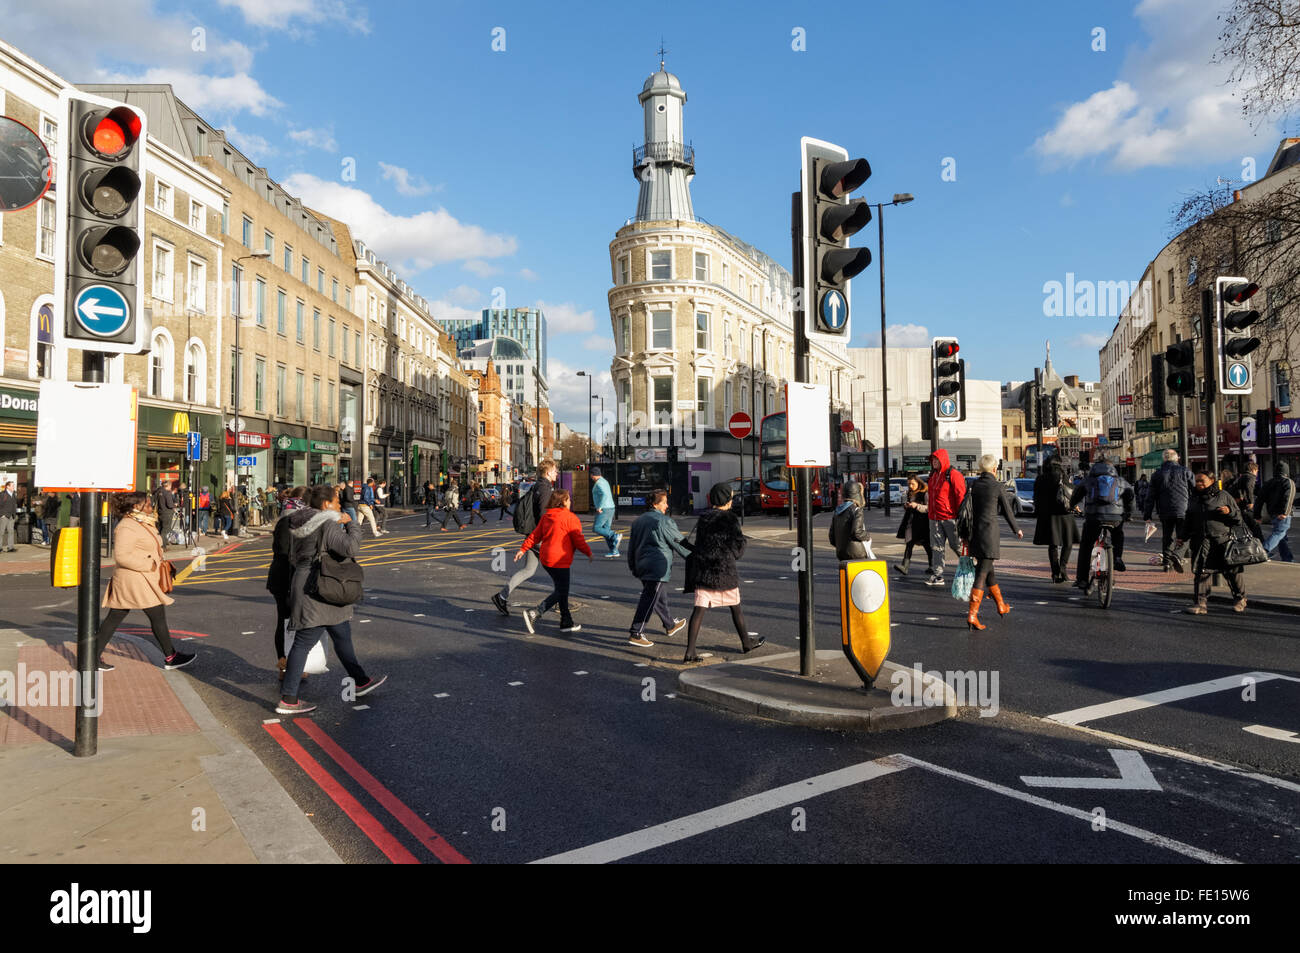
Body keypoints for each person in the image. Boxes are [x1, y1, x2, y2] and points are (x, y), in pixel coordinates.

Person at [277, 483, 387, 715]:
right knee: (304, 641)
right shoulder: (326, 522)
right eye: (337, 502)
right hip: (320, 585)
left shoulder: (300, 519)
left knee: (341, 633)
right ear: (326, 505)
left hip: (309, 581)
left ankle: (360, 681)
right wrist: (352, 522)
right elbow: (350, 548)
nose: (339, 506)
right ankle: (288, 698)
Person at [93, 492, 195, 672]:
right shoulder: (127, 526)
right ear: (135, 507)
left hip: (140, 578)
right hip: (135, 578)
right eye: (146, 503)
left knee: (116, 617)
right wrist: (150, 564)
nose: (150, 506)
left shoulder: (141, 522)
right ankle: (171, 657)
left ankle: (92, 656)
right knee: (156, 615)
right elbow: (122, 556)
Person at [682, 483, 763, 663]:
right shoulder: (730, 519)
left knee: (698, 610)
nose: (732, 500)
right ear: (726, 499)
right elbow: (737, 550)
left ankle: (690, 651)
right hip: (724, 569)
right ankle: (746, 642)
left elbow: (701, 543)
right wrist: (743, 543)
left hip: (705, 570)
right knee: (736, 607)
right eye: (731, 497)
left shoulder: (703, 519)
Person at [516, 488, 592, 634]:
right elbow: (578, 540)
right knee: (562, 591)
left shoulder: (547, 516)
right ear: (563, 501)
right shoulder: (570, 518)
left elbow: (535, 535)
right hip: (560, 560)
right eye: (568, 499)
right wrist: (588, 552)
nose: (570, 501)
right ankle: (536, 612)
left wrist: (523, 549)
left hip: (546, 559)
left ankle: (566, 622)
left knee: (561, 589)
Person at [960, 454, 1022, 631]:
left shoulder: (973, 485)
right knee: (982, 573)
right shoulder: (997, 486)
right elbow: (1008, 511)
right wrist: (1016, 529)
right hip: (989, 534)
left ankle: (1001, 605)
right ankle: (972, 615)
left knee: (989, 571)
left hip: (974, 534)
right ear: (995, 469)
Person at [626, 488, 691, 648]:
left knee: (658, 597)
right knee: (649, 598)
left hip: (642, 565)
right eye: (664, 502)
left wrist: (633, 566)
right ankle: (636, 632)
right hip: (658, 567)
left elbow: (631, 547)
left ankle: (670, 625)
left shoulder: (638, 521)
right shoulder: (664, 521)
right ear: (655, 504)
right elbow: (680, 544)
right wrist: (697, 556)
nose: (667, 506)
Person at [1181, 469, 1247, 614]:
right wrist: (1182, 537)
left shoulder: (1223, 496)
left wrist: (1229, 512)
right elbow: (1189, 519)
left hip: (1222, 540)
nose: (1198, 484)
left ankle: (1240, 598)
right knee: (1202, 571)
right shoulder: (1194, 498)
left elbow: (1239, 518)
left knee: (1231, 571)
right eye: (1196, 481)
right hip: (1201, 541)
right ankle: (1200, 604)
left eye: (1201, 481)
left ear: (1211, 481)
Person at [493, 464, 555, 613]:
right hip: (539, 536)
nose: (556, 474)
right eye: (554, 471)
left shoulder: (537, 485)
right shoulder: (545, 488)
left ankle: (501, 597)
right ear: (547, 472)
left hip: (533, 535)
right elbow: (543, 514)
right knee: (558, 569)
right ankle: (560, 602)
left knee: (528, 570)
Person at [1070, 455, 1133, 591]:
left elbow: (1077, 494)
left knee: (1086, 545)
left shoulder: (1089, 480)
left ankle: (1081, 579)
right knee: (1118, 535)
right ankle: (1117, 558)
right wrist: (1128, 513)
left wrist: (1072, 506)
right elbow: (1130, 495)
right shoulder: (1119, 480)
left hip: (1094, 517)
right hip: (1115, 517)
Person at [266, 486, 308, 680]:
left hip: (290, 576)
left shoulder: (295, 518)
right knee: (285, 621)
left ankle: (292, 665)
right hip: (285, 577)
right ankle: (284, 664)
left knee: (292, 620)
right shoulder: (287, 521)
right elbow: (284, 552)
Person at [1143, 449, 1195, 572]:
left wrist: (1147, 515)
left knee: (1167, 536)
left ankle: (1167, 563)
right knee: (1185, 535)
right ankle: (1177, 555)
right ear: (1177, 458)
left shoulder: (1157, 474)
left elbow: (1150, 496)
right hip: (1184, 509)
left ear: (1164, 459)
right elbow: (1194, 491)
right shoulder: (1185, 471)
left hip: (1165, 510)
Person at [924, 449, 968, 587]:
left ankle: (970, 568)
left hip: (950, 517)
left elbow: (961, 496)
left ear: (943, 460)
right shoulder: (933, 476)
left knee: (957, 545)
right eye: (933, 460)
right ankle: (938, 575)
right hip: (935, 518)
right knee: (936, 547)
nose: (934, 462)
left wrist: (960, 516)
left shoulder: (953, 475)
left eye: (936, 459)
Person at [1033, 453, 1079, 583]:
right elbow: (1071, 494)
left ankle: (1055, 572)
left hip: (1047, 515)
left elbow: (1036, 498)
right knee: (1068, 543)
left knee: (1053, 545)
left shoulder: (1040, 478)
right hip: (1064, 514)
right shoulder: (1062, 476)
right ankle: (1063, 568)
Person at [1254, 461, 1295, 561]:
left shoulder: (1269, 483)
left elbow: (1259, 499)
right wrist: (1285, 512)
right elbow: (1288, 497)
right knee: (1279, 533)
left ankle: (1287, 558)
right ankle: (1263, 551)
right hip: (1282, 513)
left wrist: (1257, 515)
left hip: (1272, 513)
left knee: (1282, 537)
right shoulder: (1288, 482)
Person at [894, 475, 932, 575]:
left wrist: (917, 506)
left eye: (912, 484)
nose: (910, 486)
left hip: (922, 524)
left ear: (919, 483)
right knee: (909, 544)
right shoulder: (910, 494)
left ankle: (932, 566)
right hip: (912, 523)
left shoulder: (925, 493)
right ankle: (905, 566)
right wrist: (907, 506)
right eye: (909, 484)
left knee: (927, 545)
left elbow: (930, 508)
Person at [830, 481, 874, 561]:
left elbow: (832, 538)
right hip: (857, 553)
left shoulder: (837, 511)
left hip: (841, 553)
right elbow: (857, 532)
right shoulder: (857, 510)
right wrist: (868, 536)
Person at [589, 467, 622, 557]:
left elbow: (604, 494)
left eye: (591, 475)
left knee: (596, 528)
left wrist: (600, 507)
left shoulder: (599, 483)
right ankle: (614, 551)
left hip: (604, 509)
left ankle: (615, 535)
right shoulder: (604, 481)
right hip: (611, 508)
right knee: (606, 530)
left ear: (592, 475)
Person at [1229, 461, 1263, 540]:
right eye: (1257, 470)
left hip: (1238, 504)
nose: (1257, 472)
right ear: (1253, 469)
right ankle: (1263, 547)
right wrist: (1250, 502)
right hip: (1244, 505)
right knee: (1255, 526)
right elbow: (1249, 488)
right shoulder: (1250, 477)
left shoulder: (1242, 477)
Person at [0, 481, 16, 552]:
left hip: (11, 516)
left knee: (11, 532)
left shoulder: (14, 494)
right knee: (1, 532)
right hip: (4, 516)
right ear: (7, 486)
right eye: (12, 486)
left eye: (13, 485)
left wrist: (14, 515)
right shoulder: (3, 494)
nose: (13, 487)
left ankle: (10, 547)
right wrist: (1, 515)